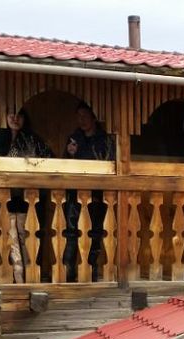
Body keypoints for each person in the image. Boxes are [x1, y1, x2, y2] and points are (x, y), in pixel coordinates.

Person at [0, 109, 52, 282]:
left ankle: (29, 276)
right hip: (6, 198)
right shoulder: (0, 142)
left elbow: (49, 159)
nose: (15, 119)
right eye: (11, 115)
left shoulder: (32, 140)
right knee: (12, 238)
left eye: (19, 115)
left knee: (25, 237)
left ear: (25, 118)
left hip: (29, 198)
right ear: (4, 117)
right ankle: (19, 277)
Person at [62, 103, 112, 280]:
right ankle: (70, 272)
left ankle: (93, 271)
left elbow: (109, 162)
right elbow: (65, 165)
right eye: (79, 116)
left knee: (96, 232)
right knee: (71, 232)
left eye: (85, 116)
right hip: (74, 195)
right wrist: (70, 153)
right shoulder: (74, 138)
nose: (81, 120)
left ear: (93, 117)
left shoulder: (104, 140)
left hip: (97, 195)